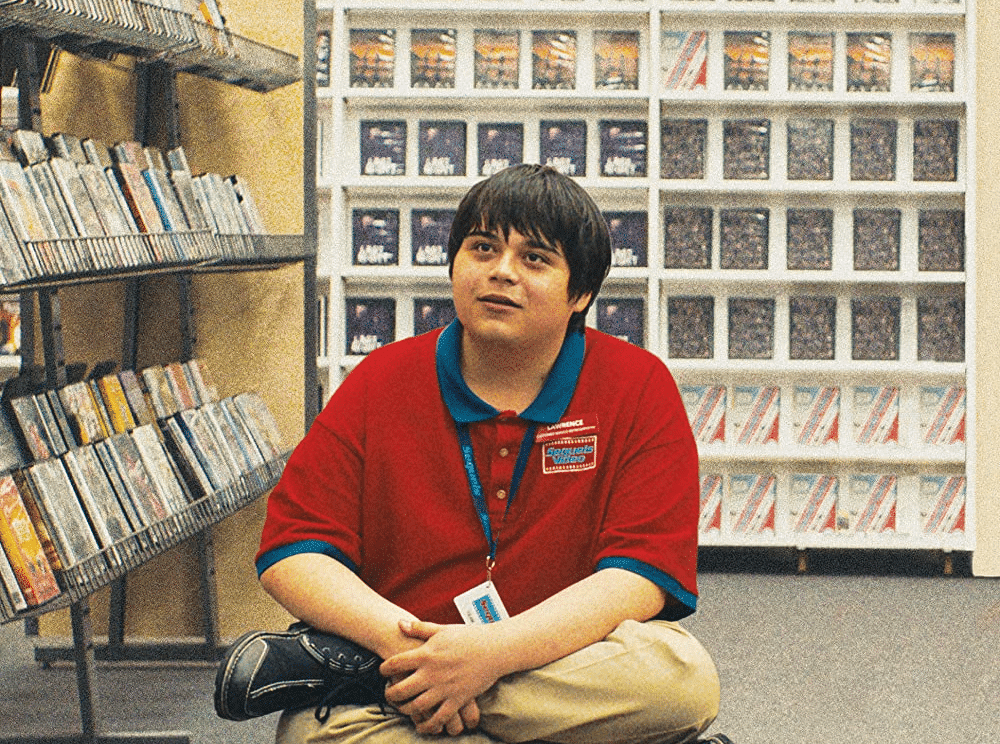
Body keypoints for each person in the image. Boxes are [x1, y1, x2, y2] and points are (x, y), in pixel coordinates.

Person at [215, 163, 729, 744]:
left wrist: (486, 658)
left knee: (681, 678)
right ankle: (431, 694)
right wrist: (410, 650)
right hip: (407, 649)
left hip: (555, 658)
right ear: (455, 264)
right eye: (483, 248)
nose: (501, 271)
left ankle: (386, 690)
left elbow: (639, 576)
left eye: (535, 258)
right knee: (312, 738)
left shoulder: (637, 385)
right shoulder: (380, 381)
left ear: (580, 293)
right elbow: (294, 553)